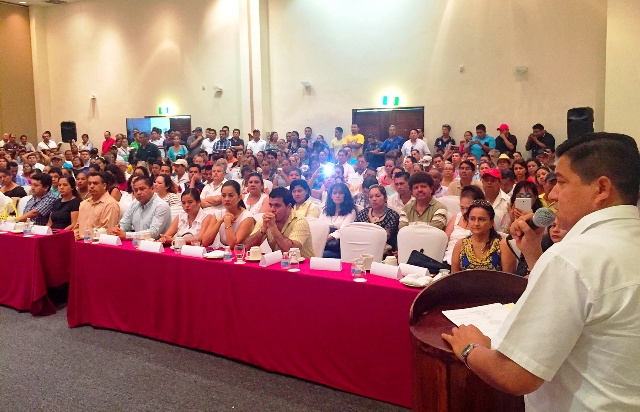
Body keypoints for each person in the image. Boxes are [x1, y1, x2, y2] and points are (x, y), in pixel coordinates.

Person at [443, 132, 640, 411]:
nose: (553, 194)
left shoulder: (573, 257)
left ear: (601, 189)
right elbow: (580, 306)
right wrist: (534, 253)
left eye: (561, 182)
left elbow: (514, 374)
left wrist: (470, 348)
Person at [245, 187, 315, 257]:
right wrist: (262, 230)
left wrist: (273, 228)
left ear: (289, 206)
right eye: (270, 205)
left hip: (302, 263)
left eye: (277, 205)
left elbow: (291, 251)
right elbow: (247, 247)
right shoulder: (267, 220)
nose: (272, 209)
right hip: (279, 262)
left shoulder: (300, 221)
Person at [450, 200, 516, 272]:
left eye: (481, 219)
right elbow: (454, 277)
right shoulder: (460, 244)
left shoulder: (503, 245)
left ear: (491, 222)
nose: (476, 223)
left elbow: (509, 278)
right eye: (472, 219)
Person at [111, 175, 172, 240]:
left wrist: (126, 235)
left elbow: (153, 233)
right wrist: (117, 230)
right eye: (135, 190)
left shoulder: (161, 206)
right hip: (137, 243)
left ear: (152, 188)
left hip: (158, 244)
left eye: (142, 189)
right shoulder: (135, 203)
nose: (138, 193)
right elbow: (124, 223)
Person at [201, 181, 255, 248]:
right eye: (223, 196)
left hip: (241, 253)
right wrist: (220, 221)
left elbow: (233, 245)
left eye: (231, 196)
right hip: (224, 252)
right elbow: (205, 242)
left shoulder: (247, 217)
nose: (226, 199)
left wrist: (227, 222)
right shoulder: (218, 214)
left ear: (239, 197)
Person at [443, 185, 485, 264]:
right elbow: (444, 242)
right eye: (462, 208)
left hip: (472, 262)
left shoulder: (485, 221)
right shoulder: (455, 218)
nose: (465, 212)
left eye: (468, 208)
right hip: (448, 260)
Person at [73, 171, 121, 239]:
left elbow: (107, 232)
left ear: (104, 186)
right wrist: (75, 235)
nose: (91, 186)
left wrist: (85, 238)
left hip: (98, 243)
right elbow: (77, 227)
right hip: (81, 242)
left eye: (95, 183)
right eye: (89, 183)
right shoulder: (84, 204)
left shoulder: (110, 204)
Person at [355, 184, 400, 253]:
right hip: (362, 249)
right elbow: (355, 231)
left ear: (385, 198)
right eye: (371, 197)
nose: (374, 199)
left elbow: (384, 236)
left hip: (385, 252)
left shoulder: (392, 215)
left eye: (377, 196)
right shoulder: (362, 213)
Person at [319, 182, 357, 258]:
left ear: (345, 195)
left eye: (341, 193)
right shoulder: (325, 210)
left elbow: (343, 231)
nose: (337, 195)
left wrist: (326, 238)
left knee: (321, 254)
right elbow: (319, 226)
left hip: (338, 246)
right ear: (331, 196)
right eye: (334, 193)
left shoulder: (351, 211)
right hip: (322, 242)